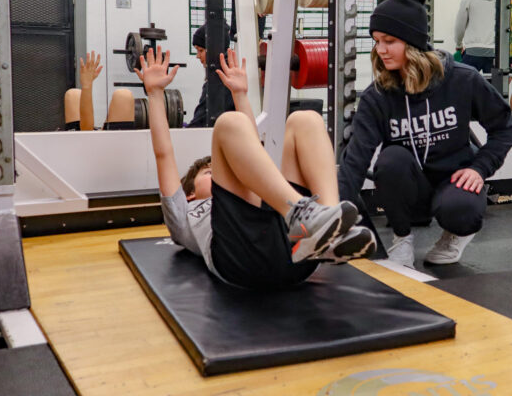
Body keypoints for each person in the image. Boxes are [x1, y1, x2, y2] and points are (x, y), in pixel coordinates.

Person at [135, 45, 376, 290]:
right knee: (229, 122)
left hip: (297, 248)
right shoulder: (184, 212)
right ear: (190, 194)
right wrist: (154, 94)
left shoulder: (267, 192)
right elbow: (163, 155)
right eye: (209, 172)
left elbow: (252, 153)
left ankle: (328, 227)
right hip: (240, 260)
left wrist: (240, 95)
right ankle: (303, 214)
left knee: (306, 119)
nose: (217, 171)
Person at [338, 0, 512, 269]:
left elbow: (505, 128)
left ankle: (454, 236)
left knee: (461, 209)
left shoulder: (462, 79)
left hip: (454, 184)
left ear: (412, 42)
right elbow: (355, 161)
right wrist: (336, 217)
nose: (380, 50)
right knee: (390, 161)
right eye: (376, 41)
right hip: (411, 190)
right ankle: (402, 239)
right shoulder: (378, 96)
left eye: (389, 41)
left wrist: (479, 168)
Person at [64, 51, 134, 130]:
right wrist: (86, 86)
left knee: (123, 96)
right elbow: (86, 134)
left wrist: (87, 86)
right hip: (90, 139)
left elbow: (86, 133)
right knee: (73, 95)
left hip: (102, 139)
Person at [187, 22, 235, 128]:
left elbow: (199, 123)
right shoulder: (226, 75)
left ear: (214, 50)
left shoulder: (218, 80)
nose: (198, 56)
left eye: (201, 50)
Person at [454, 0, 496, 73]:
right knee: (491, 88)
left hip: (473, 52)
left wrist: (459, 45)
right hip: (493, 52)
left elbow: (460, 26)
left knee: (463, 85)